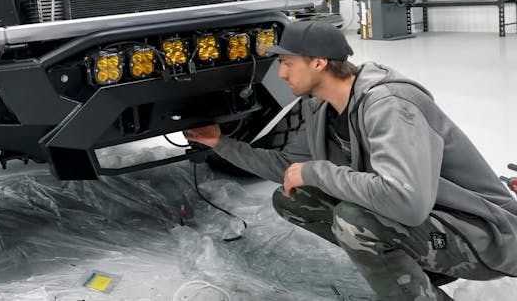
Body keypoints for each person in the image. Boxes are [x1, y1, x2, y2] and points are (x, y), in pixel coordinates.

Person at [185, 21, 517, 300]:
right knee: (295, 198)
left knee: (354, 221)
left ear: (318, 63)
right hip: (433, 225)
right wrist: (221, 144)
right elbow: (287, 169)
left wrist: (318, 171)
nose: (281, 73)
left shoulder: (389, 104)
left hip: (484, 237)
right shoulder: (320, 107)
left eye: (287, 63)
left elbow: (407, 203)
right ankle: (416, 268)